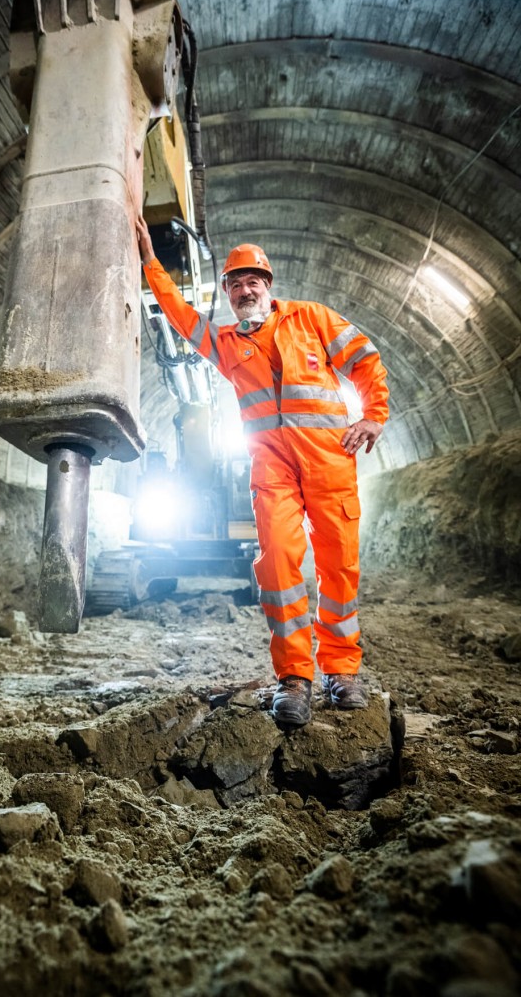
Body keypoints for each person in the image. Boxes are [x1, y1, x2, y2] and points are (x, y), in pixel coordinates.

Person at [136, 216, 389, 726]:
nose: (245, 289)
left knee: (338, 566)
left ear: (268, 286)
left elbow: (365, 359)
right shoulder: (227, 345)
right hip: (272, 465)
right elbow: (180, 316)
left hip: (329, 459)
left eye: (253, 280)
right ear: (228, 293)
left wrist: (373, 416)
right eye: (235, 283)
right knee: (277, 566)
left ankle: (342, 671)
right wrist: (150, 263)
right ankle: (295, 678)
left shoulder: (312, 319)